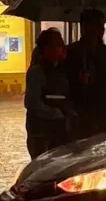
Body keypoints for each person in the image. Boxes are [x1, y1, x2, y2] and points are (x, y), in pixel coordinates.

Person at [65, 9, 106, 141]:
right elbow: (64, 83)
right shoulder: (71, 52)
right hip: (77, 115)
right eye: (93, 26)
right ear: (83, 27)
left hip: (101, 115)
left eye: (100, 26)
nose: (98, 30)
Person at [25, 28, 72, 159]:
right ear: (47, 48)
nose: (62, 48)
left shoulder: (61, 69)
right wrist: (55, 113)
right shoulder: (37, 72)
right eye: (58, 45)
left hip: (59, 131)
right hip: (41, 132)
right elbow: (32, 102)